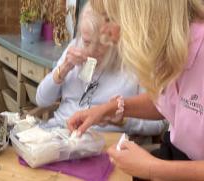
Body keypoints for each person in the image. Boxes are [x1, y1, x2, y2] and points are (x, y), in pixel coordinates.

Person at [67, 0, 204, 180]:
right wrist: (110, 109)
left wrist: (152, 168)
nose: (105, 32)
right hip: (176, 157)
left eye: (112, 18)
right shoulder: (172, 46)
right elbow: (173, 104)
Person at [36, 2, 165, 136]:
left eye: (100, 44)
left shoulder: (134, 61)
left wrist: (123, 120)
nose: (91, 51)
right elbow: (41, 100)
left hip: (101, 142)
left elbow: (158, 124)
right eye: (87, 41)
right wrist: (63, 69)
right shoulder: (75, 47)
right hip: (59, 131)